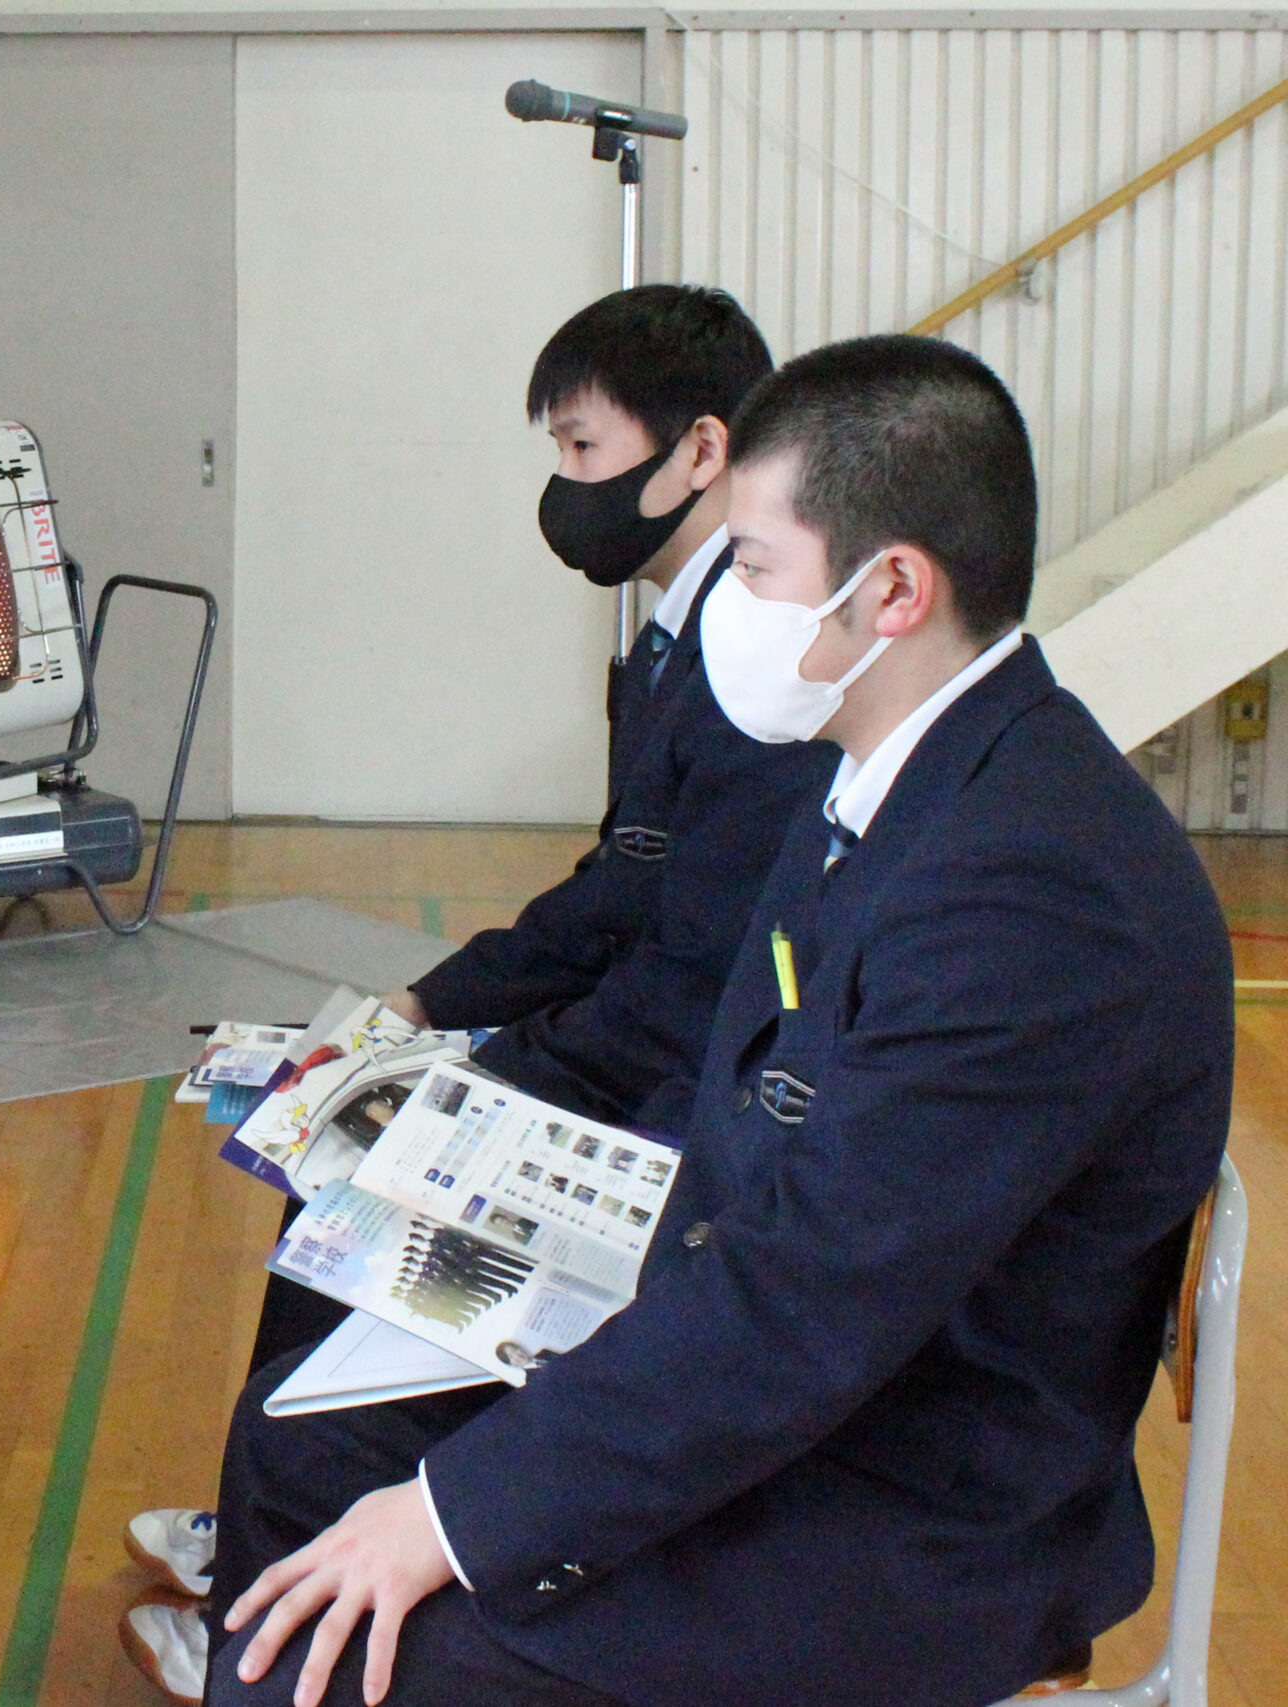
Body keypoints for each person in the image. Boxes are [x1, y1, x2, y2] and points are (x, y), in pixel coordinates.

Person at [202, 336, 1231, 1707]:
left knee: (321, 1658)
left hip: (915, 1500)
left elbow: (809, 1306)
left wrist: (452, 1518)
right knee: (303, 1451)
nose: (724, 604)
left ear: (893, 590)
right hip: (808, 1375)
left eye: (751, 565)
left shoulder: (1037, 889)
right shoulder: (892, 773)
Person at [124, 286, 836, 1704]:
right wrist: (419, 1009)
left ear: (703, 452)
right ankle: (279, 1535)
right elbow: (619, 893)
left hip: (673, 1112)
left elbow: (686, 981)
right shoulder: (680, 637)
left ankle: (276, 1576)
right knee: (332, 1148)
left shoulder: (758, 671)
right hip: (642, 1055)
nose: (562, 488)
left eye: (580, 449)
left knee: (358, 1170)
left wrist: (493, 1064)